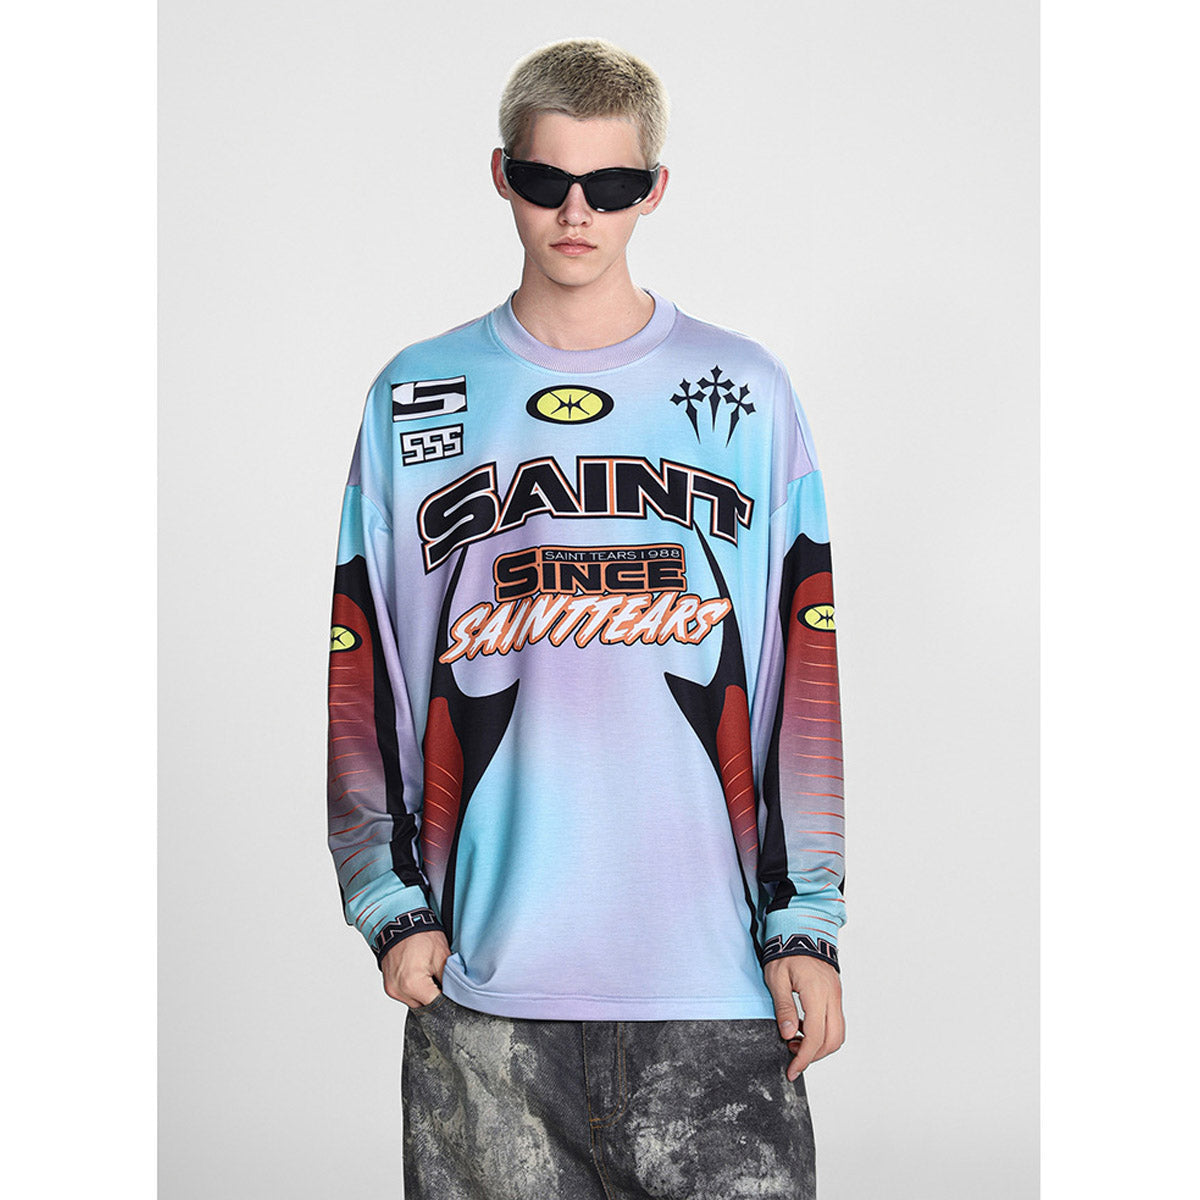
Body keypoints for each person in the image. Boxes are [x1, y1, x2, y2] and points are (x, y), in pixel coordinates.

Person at [326, 36, 846, 1199]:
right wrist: (388, 904)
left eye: (609, 185)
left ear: (652, 190)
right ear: (500, 176)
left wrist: (805, 924)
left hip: (714, 988)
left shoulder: (746, 392)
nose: (576, 213)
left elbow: (802, 668)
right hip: (486, 994)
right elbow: (363, 661)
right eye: (546, 180)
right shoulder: (416, 396)